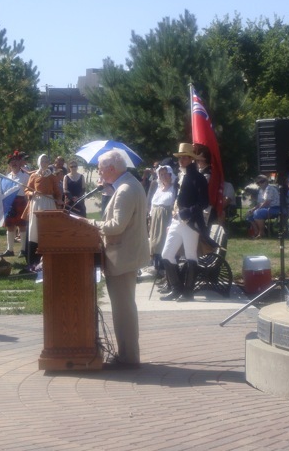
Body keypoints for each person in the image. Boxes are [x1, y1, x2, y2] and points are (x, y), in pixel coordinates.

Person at [86, 150, 148, 369]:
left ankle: (128, 357)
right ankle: (128, 354)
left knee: (123, 310)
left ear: (111, 169)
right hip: (126, 255)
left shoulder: (125, 190)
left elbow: (116, 226)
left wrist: (89, 224)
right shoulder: (128, 185)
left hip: (123, 258)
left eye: (100, 169)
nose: (99, 173)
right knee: (124, 307)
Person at [159, 143, 210, 302]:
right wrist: (175, 215)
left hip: (191, 222)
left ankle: (188, 292)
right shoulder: (180, 176)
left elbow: (204, 202)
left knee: (190, 256)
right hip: (176, 221)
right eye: (180, 157)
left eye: (185, 157)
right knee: (166, 254)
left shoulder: (199, 178)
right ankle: (176, 289)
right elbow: (178, 198)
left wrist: (186, 212)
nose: (181, 160)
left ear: (191, 159)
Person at [21, 154, 62, 269]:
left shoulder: (52, 176)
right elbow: (26, 190)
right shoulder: (33, 176)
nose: (44, 163)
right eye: (42, 161)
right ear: (39, 162)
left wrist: (59, 199)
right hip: (36, 203)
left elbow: (57, 192)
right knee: (35, 229)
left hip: (49, 203)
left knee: (48, 228)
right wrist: (32, 193)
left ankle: (49, 256)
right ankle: (33, 260)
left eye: (46, 161)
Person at [0, 150, 30, 258]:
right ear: (9, 164)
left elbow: (28, 190)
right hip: (9, 203)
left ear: (19, 162)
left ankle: (23, 250)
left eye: (16, 161)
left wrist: (28, 203)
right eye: (12, 162)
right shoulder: (7, 177)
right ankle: (10, 250)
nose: (14, 163)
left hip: (21, 201)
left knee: (22, 226)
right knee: (10, 226)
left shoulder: (25, 176)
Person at [148, 165, 176, 277]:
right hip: (155, 217)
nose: (163, 176)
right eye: (161, 174)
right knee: (154, 241)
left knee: (163, 241)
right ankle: (157, 266)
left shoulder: (174, 189)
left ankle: (164, 267)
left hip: (166, 217)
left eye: (165, 174)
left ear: (170, 174)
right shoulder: (158, 189)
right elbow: (153, 204)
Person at [246, 174, 281, 239]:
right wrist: (253, 209)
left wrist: (256, 209)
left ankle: (261, 233)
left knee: (258, 212)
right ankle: (256, 232)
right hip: (266, 208)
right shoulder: (261, 190)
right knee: (249, 214)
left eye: (261, 181)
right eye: (258, 183)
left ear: (266, 181)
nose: (260, 184)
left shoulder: (269, 188)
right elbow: (260, 203)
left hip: (275, 208)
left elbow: (267, 202)